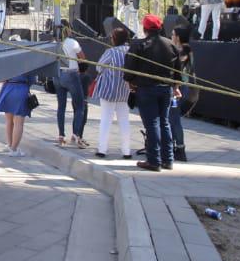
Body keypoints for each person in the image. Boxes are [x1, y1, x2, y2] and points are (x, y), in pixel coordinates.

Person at [123, 14, 181, 171]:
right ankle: (168, 159)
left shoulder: (138, 45)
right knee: (165, 123)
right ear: (160, 27)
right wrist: (176, 86)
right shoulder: (170, 45)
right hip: (166, 89)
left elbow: (128, 69)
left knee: (152, 124)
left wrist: (131, 83)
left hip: (147, 89)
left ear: (144, 28)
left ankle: (154, 161)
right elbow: (178, 70)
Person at [93, 28, 132, 159]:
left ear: (114, 39)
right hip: (125, 91)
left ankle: (102, 149)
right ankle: (126, 151)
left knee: (105, 119)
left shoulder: (110, 52)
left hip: (108, 90)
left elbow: (98, 67)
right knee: (124, 120)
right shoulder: (131, 52)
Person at [0, 64, 39, 157]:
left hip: (7, 89)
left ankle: (9, 145)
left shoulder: (9, 60)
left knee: (9, 121)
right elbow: (32, 80)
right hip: (21, 89)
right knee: (18, 123)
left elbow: (1, 78)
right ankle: (14, 149)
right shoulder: (28, 62)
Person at [53, 33, 88, 148]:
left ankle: (61, 136)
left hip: (57, 75)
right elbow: (82, 57)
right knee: (79, 106)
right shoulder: (72, 42)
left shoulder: (53, 43)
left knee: (61, 107)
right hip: (71, 74)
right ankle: (76, 135)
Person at [169, 26, 196, 162]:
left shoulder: (184, 50)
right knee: (172, 118)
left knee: (174, 118)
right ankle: (173, 146)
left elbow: (178, 67)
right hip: (180, 88)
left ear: (178, 37)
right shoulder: (184, 49)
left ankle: (179, 148)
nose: (171, 36)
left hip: (179, 89)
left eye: (173, 34)